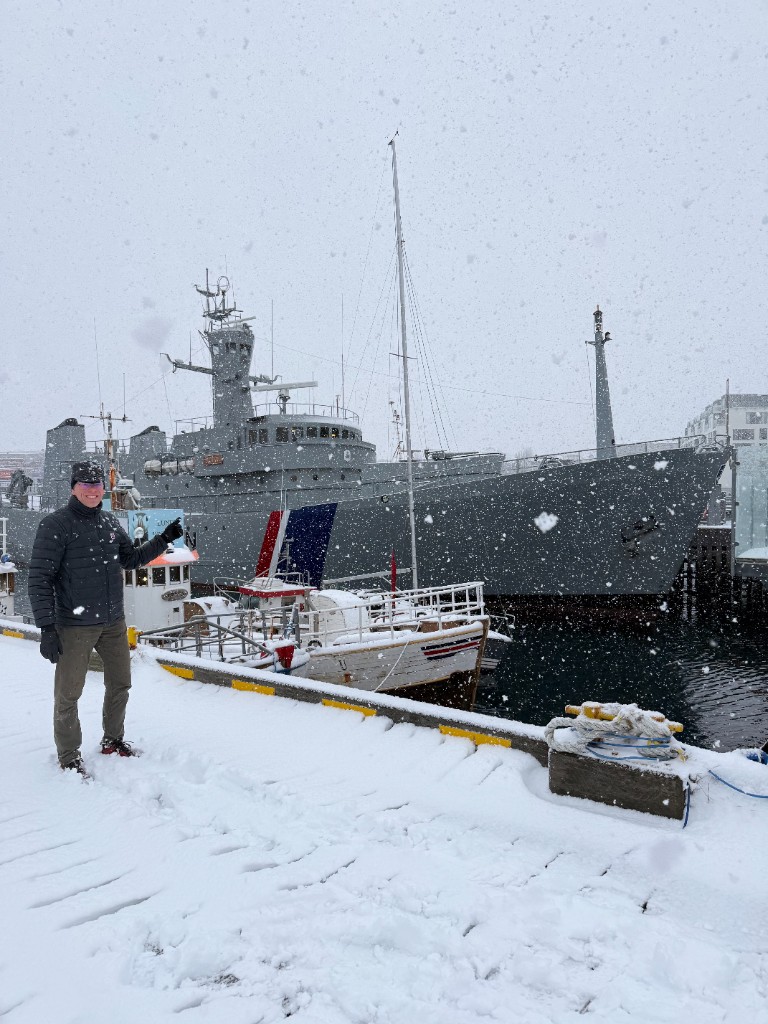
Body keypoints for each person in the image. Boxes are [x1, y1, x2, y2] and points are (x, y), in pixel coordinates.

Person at [28, 461, 184, 776]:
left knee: (120, 683)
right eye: (85, 485)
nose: (93, 490)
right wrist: (47, 628)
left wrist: (163, 539)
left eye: (97, 485)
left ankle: (113, 739)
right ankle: (69, 754)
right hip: (74, 625)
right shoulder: (55, 525)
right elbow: (39, 579)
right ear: (73, 487)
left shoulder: (109, 523)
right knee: (69, 693)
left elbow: (131, 559)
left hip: (112, 622)